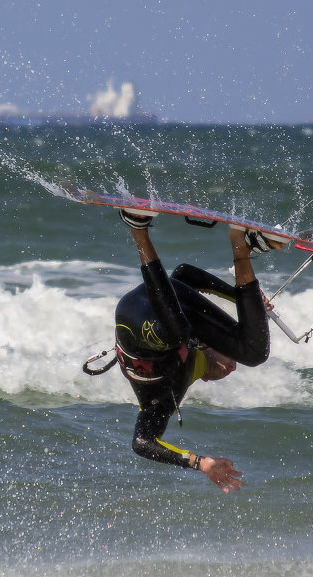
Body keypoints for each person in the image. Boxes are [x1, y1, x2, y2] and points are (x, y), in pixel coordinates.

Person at [109, 208, 278, 493]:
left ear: (207, 376)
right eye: (230, 368)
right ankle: (243, 245)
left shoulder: (164, 397)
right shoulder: (195, 336)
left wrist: (198, 463)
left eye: (226, 369)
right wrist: (246, 301)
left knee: (177, 332)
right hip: (169, 299)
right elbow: (185, 275)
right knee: (254, 352)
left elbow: (141, 443)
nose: (231, 367)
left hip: (134, 318)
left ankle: (137, 228)